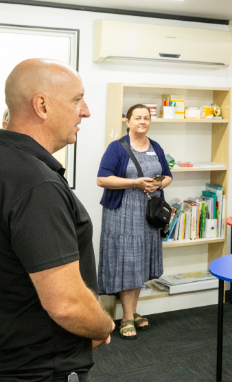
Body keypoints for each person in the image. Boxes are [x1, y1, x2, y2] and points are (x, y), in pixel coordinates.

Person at [0, 58, 114, 381]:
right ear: (42, 106)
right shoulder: (37, 184)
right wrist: (104, 325)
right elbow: (66, 303)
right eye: (77, 100)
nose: (87, 111)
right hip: (35, 367)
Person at [96, 104, 173, 339]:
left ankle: (133, 311)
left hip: (147, 215)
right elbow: (102, 179)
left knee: (139, 262)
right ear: (127, 121)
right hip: (122, 215)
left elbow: (169, 176)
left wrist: (158, 184)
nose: (142, 121)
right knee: (128, 263)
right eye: (137, 118)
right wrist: (135, 183)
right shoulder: (117, 148)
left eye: (146, 118)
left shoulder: (156, 146)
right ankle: (127, 317)